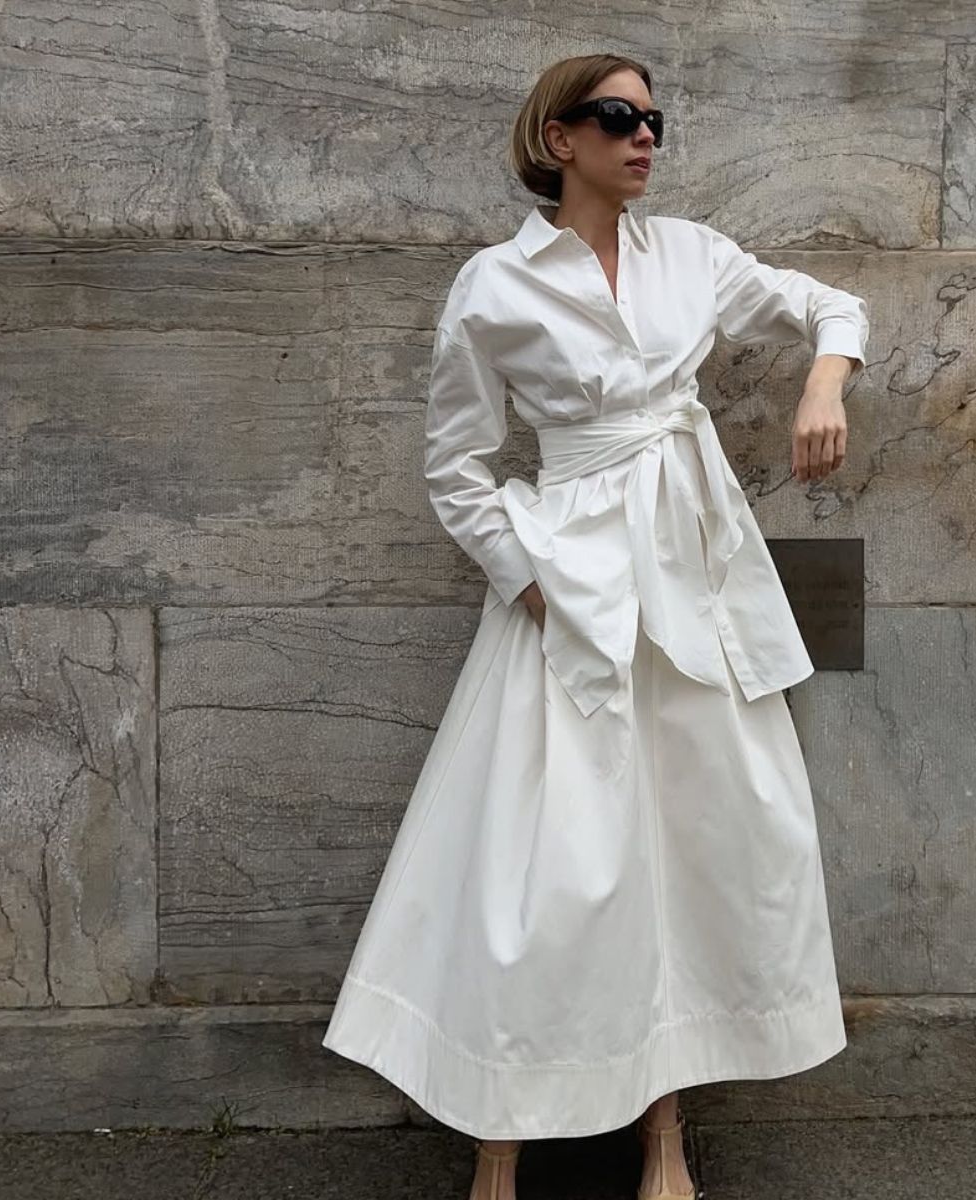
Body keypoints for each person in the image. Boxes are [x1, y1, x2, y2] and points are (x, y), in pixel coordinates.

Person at [322, 52, 869, 1200]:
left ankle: (664, 1136)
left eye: (656, 119)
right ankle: (497, 1146)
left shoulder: (694, 258)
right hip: (570, 580)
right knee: (543, 865)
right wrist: (530, 581)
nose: (645, 138)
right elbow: (457, 465)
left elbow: (830, 302)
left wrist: (825, 383)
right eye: (618, 117)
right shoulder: (495, 285)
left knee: (687, 843)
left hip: (692, 574)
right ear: (557, 137)